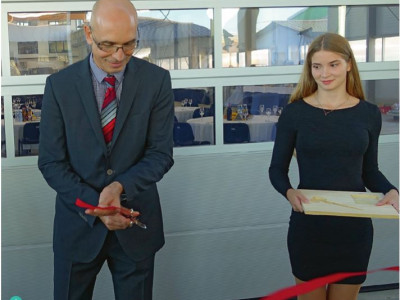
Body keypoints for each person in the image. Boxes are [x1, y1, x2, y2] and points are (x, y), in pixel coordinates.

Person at [38, 0, 174, 299]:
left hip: (135, 223)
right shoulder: (59, 86)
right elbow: (51, 163)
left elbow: (160, 154)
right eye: (107, 45)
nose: (118, 55)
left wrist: (119, 186)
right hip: (78, 226)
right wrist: (98, 207)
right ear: (88, 34)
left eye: (129, 45)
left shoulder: (156, 81)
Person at [268, 32, 399, 300]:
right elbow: (276, 170)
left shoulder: (368, 113)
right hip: (309, 227)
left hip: (353, 231)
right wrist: (289, 192)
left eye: (333, 64)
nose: (324, 73)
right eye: (317, 66)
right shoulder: (295, 113)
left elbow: (369, 171)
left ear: (349, 64)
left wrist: (392, 191)